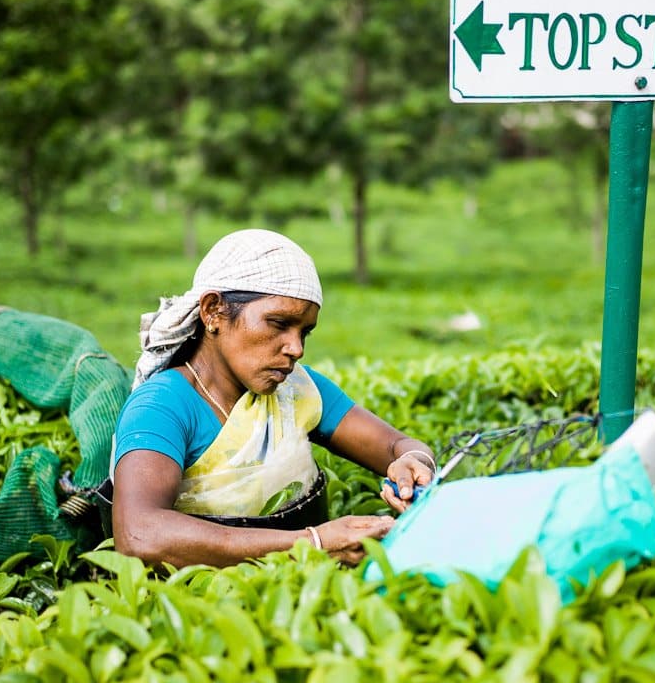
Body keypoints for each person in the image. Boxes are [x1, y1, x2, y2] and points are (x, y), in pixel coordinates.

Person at [110, 229, 436, 569]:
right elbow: (138, 535)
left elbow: (397, 445)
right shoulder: (164, 405)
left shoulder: (295, 390)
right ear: (213, 311)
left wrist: (414, 464)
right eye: (279, 323)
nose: (296, 348)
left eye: (304, 332)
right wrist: (314, 544)